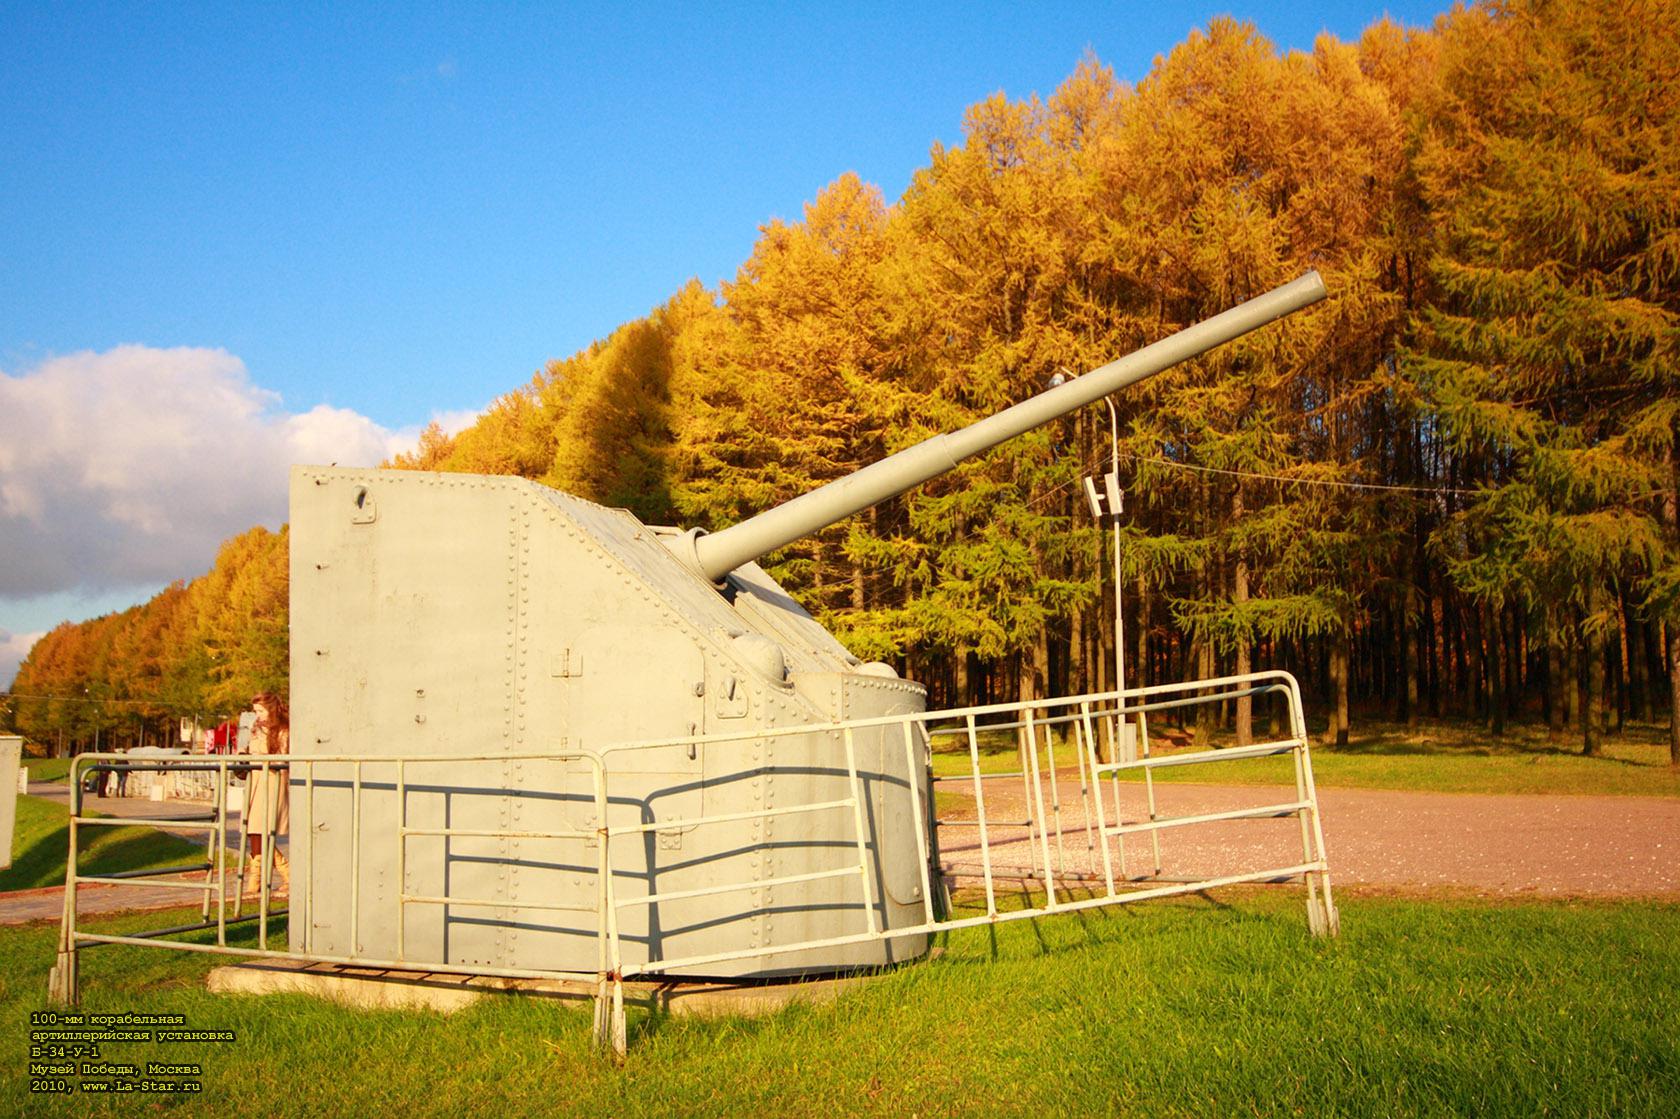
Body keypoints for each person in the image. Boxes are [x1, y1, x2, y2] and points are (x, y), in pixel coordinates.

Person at [242, 692, 291, 896]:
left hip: (272, 782)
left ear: (271, 709)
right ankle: (270, 876)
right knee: (254, 830)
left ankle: (267, 877)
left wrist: (260, 758)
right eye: (255, 711)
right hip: (256, 781)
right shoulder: (256, 730)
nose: (258, 715)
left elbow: (283, 758)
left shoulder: (283, 730)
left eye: (260, 710)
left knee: (260, 829)